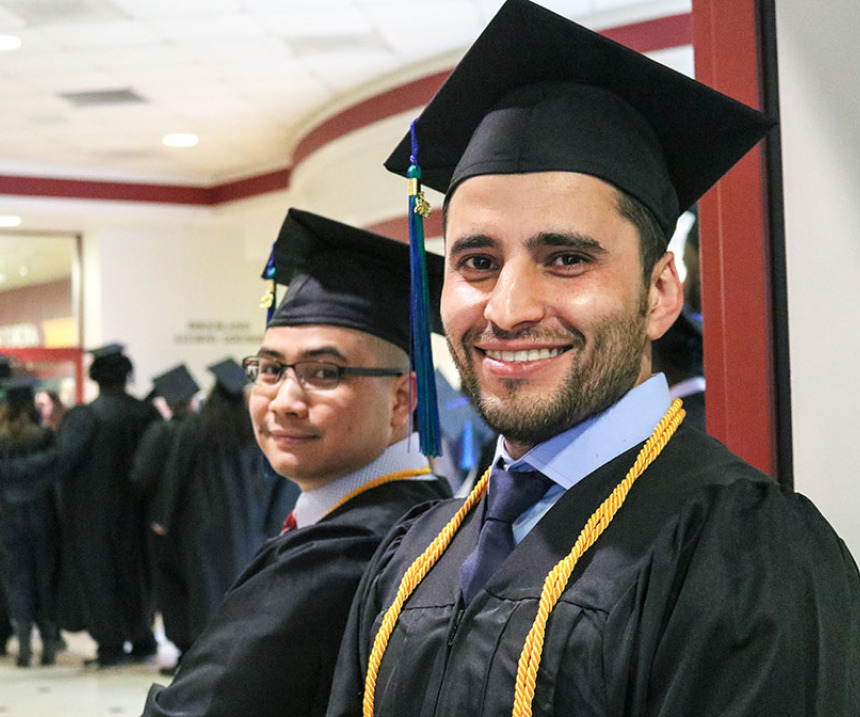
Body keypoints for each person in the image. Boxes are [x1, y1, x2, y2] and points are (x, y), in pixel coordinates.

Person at [327, 2, 860, 715]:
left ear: (661, 291)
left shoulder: (746, 554)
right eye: (478, 260)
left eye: (567, 258)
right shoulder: (413, 551)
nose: (509, 308)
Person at [141, 209, 452, 717]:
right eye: (269, 369)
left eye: (324, 371)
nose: (284, 399)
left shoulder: (335, 557)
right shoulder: (427, 511)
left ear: (402, 399)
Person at [146, 358, 295, 674]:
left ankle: (203, 661)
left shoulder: (194, 427)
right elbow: (279, 480)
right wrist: (271, 523)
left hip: (201, 528)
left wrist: (163, 518)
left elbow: (176, 476)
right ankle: (238, 657)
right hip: (248, 529)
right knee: (240, 592)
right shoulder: (257, 432)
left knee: (203, 594)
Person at [130, 363, 201, 670]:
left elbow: (141, 477)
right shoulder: (206, 430)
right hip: (202, 523)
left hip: (164, 524)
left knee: (172, 590)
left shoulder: (160, 432)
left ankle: (184, 648)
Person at [0, 379, 62, 667]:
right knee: (45, 578)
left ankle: (24, 645)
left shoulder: (2, 438)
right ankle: (49, 643)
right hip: (43, 516)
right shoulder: (44, 437)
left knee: (17, 580)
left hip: (8, 519)